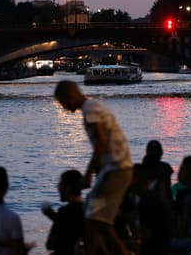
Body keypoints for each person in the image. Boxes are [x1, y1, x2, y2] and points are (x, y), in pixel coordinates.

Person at [54, 80, 133, 255]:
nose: (64, 109)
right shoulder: (92, 107)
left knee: (92, 217)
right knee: (99, 218)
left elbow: (102, 143)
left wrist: (88, 174)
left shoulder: (90, 110)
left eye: (63, 103)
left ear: (70, 96)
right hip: (114, 168)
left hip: (117, 168)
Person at [42, 170, 84, 255]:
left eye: (60, 184)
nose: (58, 187)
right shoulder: (88, 210)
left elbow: (50, 245)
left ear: (67, 187)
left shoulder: (64, 213)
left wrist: (56, 219)